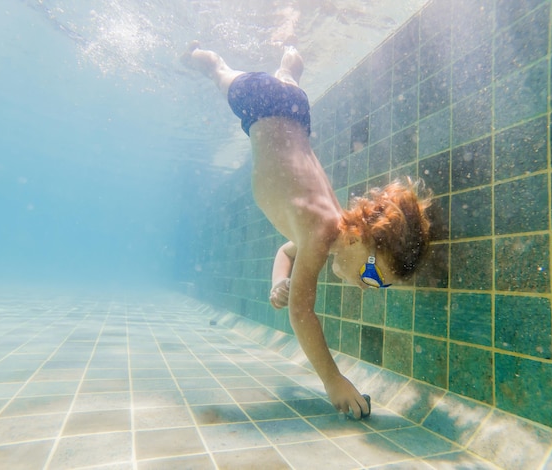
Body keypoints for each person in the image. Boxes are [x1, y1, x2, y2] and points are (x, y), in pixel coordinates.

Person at [182, 42, 432, 419]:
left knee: (287, 81)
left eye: (378, 284)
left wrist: (277, 282)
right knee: (219, 74)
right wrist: (333, 380)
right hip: (258, 104)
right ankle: (207, 60)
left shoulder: (332, 229)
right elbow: (301, 313)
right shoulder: (318, 234)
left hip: (297, 110)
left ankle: (290, 68)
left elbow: (285, 251)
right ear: (358, 237)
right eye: (372, 275)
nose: (367, 287)